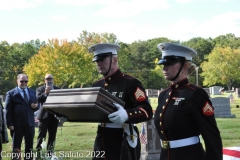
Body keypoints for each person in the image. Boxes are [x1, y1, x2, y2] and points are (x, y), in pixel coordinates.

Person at [154, 42, 223, 160]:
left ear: (185, 66)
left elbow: (211, 135)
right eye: (164, 64)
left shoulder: (195, 94)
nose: (165, 68)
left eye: (170, 64)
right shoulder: (164, 94)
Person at [88, 43, 153, 160]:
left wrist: (127, 115)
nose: (98, 63)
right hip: (101, 139)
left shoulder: (130, 83)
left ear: (115, 59)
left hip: (123, 139)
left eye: (102, 59)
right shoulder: (97, 85)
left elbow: (146, 111)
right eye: (96, 60)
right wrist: (69, 114)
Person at [5, 74, 39, 160]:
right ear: (17, 81)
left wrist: (36, 106)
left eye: (25, 81)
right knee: (16, 147)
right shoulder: (11, 93)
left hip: (30, 124)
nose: (24, 83)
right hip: (17, 125)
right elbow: (7, 110)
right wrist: (9, 123)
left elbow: (36, 106)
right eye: (21, 81)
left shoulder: (32, 92)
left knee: (29, 147)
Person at [35, 74, 60, 158]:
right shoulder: (40, 89)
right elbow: (38, 99)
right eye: (47, 79)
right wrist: (45, 93)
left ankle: (50, 155)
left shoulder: (57, 89)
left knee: (52, 137)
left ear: (53, 80)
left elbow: (60, 101)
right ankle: (38, 155)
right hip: (43, 116)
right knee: (41, 136)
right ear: (44, 80)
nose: (49, 80)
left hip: (54, 117)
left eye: (50, 78)